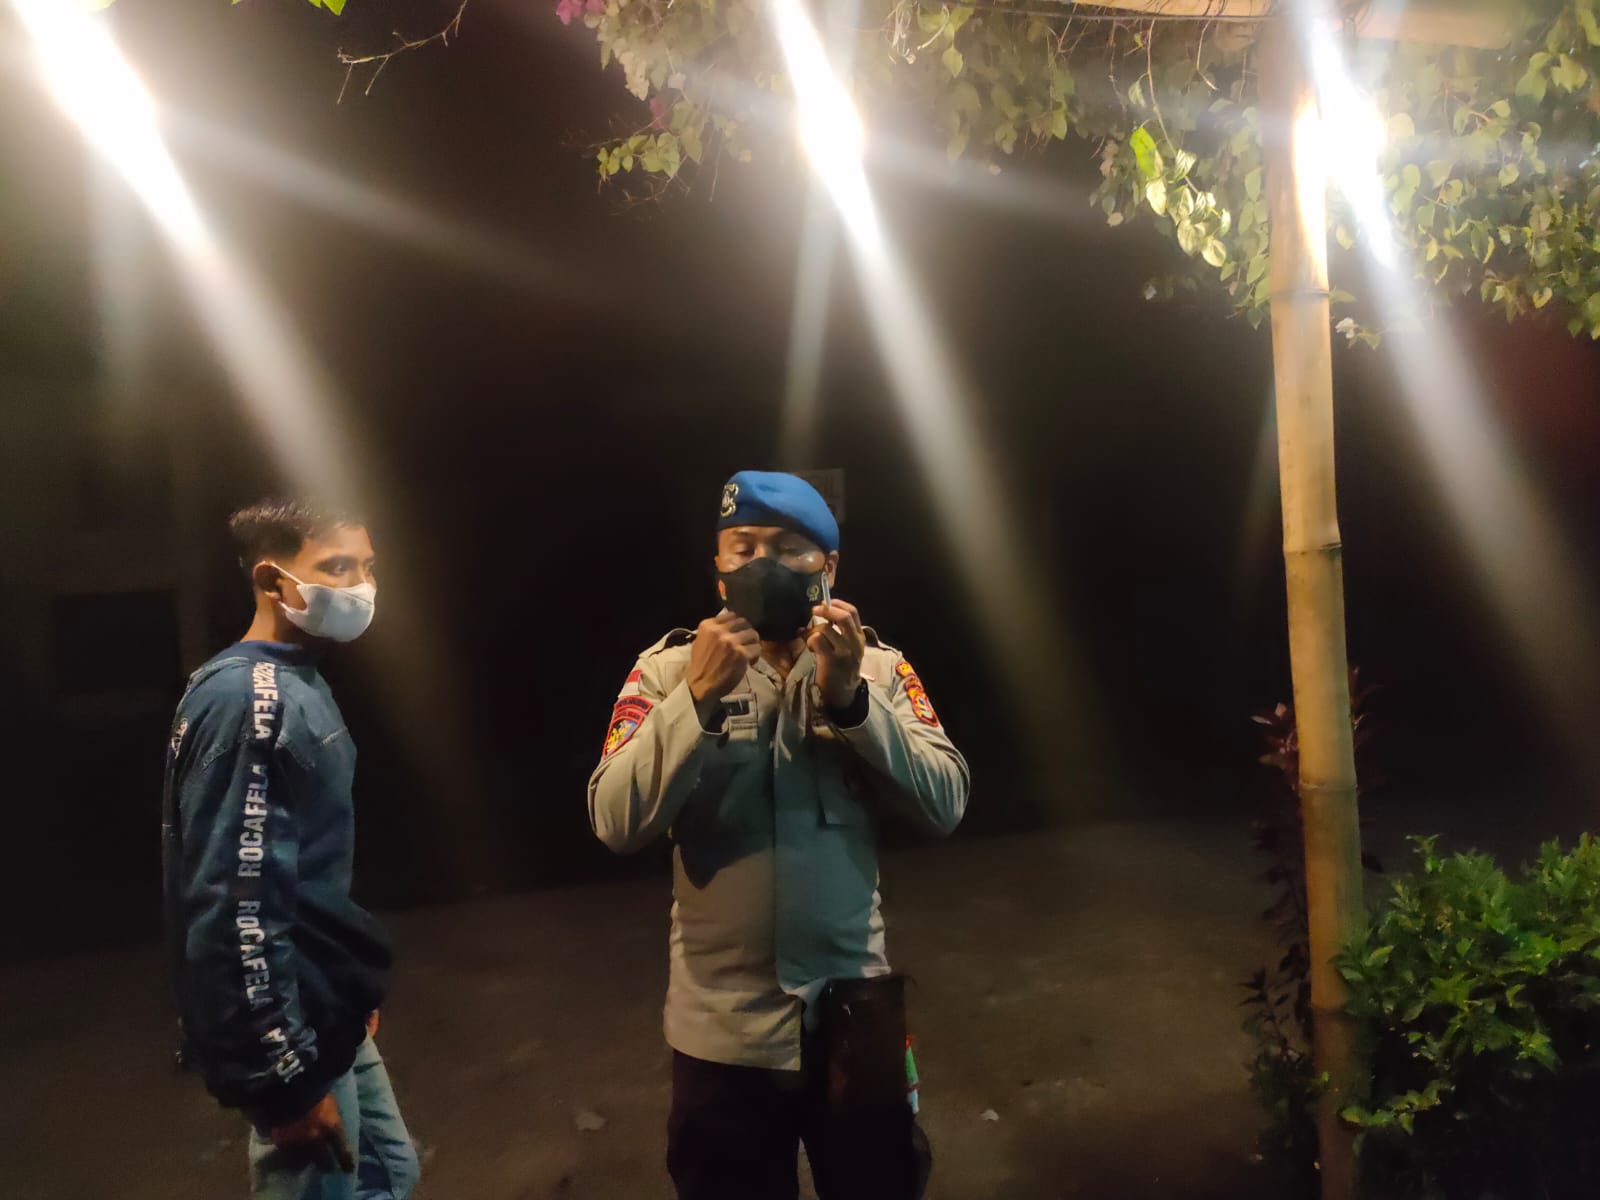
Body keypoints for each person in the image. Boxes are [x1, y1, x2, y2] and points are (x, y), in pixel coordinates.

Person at [588, 470, 970, 1200]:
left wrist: (852, 702)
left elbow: (945, 803)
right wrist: (697, 697)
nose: (763, 564)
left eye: (790, 547)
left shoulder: (879, 667)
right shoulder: (667, 670)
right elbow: (615, 821)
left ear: (830, 567)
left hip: (854, 1020)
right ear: (718, 568)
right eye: (744, 547)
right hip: (721, 1035)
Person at [162, 499, 419, 1200]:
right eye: (336, 568)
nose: (361, 586)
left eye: (367, 566)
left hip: (327, 1011)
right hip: (294, 1035)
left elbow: (306, 872)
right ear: (274, 581)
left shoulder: (294, 676)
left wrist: (348, 989)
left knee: (390, 1174)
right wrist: (281, 1081)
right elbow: (234, 909)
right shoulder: (250, 701)